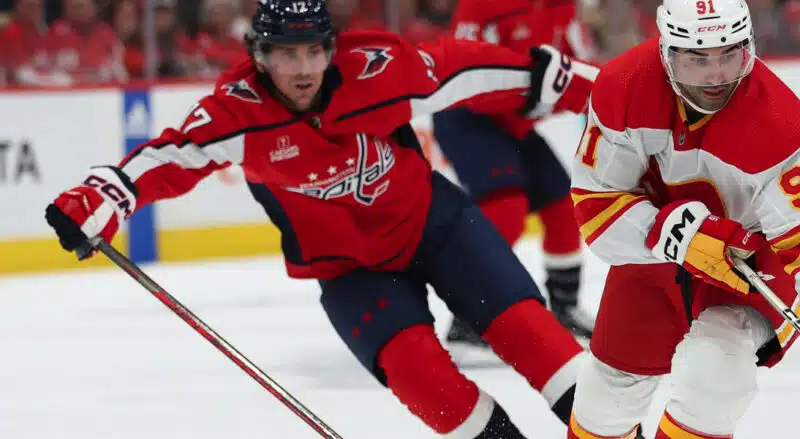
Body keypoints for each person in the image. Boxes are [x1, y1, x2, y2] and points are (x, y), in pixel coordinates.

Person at [43, 0, 599, 436]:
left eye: (314, 51)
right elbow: (169, 157)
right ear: (259, 55)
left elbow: (467, 69)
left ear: (331, 49)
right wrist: (99, 198)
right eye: (287, 54)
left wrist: (584, 87)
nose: (304, 69)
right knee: (430, 388)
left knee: (541, 344)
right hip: (350, 271)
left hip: (437, 227)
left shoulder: (376, 70)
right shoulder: (237, 113)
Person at [565, 0, 800, 437]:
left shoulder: (778, 121)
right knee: (605, 399)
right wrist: (674, 235)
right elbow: (597, 210)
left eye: (728, 55)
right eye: (697, 59)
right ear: (666, 52)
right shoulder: (623, 86)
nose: (716, 75)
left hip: (751, 257)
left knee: (716, 372)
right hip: (655, 252)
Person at [435, 0, 601, 352]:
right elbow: (462, 70)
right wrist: (534, 94)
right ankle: (469, 316)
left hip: (516, 119)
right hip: (465, 115)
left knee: (562, 204)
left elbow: (579, 65)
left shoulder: (563, 6)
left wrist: (558, 94)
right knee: (505, 207)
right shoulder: (480, 5)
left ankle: (565, 308)